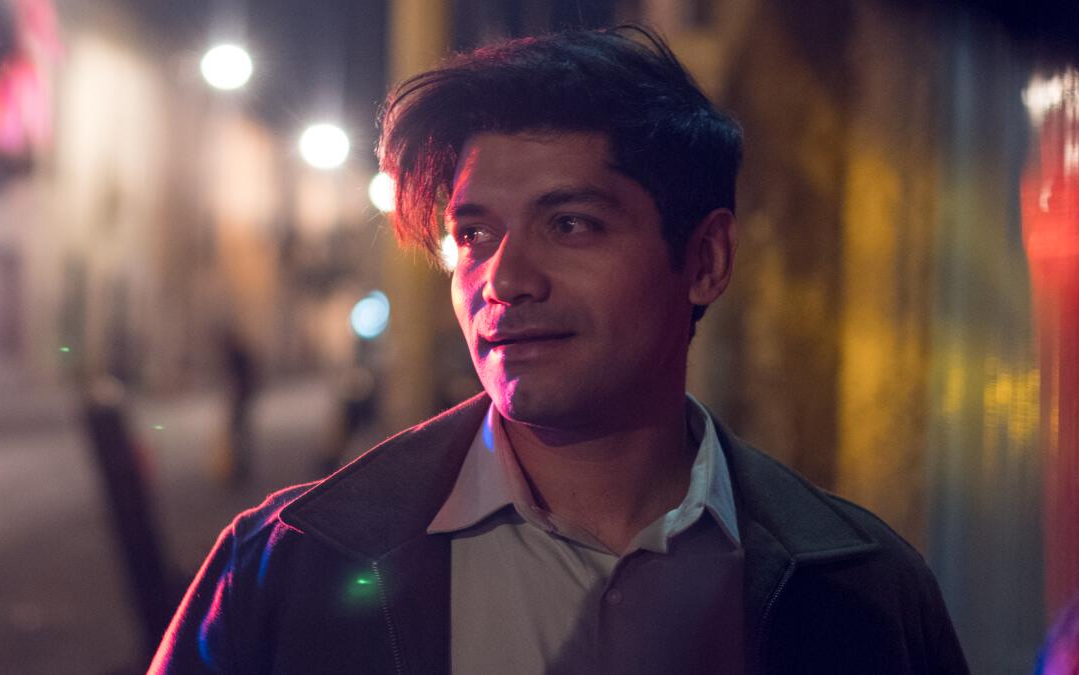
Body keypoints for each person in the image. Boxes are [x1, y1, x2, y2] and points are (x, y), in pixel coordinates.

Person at [151, 26, 968, 674]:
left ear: (706, 260)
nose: (502, 278)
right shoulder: (286, 566)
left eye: (570, 223)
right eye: (472, 234)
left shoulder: (862, 591)